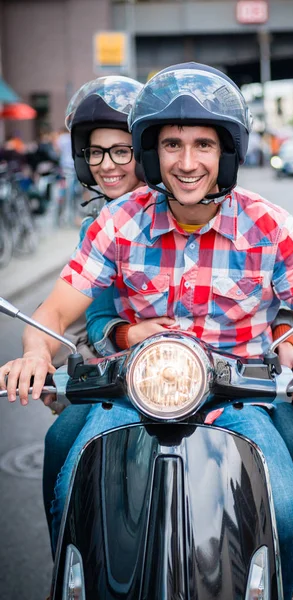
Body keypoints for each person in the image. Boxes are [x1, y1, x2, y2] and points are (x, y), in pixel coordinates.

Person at [0, 63, 293, 600]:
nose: (187, 163)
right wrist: (32, 354)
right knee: (71, 484)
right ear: (152, 152)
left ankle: (288, 585)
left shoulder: (270, 225)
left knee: (284, 506)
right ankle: (72, 585)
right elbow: (52, 314)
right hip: (130, 398)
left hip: (241, 400)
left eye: (203, 145)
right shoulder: (119, 221)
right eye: (171, 145)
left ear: (227, 153)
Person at [41, 75, 146, 546]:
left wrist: (286, 338)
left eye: (121, 150)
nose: (107, 165)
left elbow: (271, 289)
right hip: (120, 362)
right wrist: (44, 356)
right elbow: (94, 316)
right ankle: (65, 567)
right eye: (96, 152)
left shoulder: (193, 204)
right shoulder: (96, 226)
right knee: (62, 440)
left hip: (203, 362)